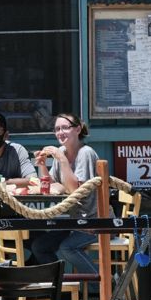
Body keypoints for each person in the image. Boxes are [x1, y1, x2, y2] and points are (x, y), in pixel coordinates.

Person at [29, 113, 100, 274]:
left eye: (65, 128)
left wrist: (61, 159)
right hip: (70, 221)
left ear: (77, 129)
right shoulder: (61, 151)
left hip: (92, 222)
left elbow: (75, 190)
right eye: (57, 129)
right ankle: (61, 289)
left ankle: (108, 285)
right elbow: (53, 184)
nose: (60, 132)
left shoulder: (85, 153)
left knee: (67, 248)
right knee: (39, 247)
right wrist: (42, 166)